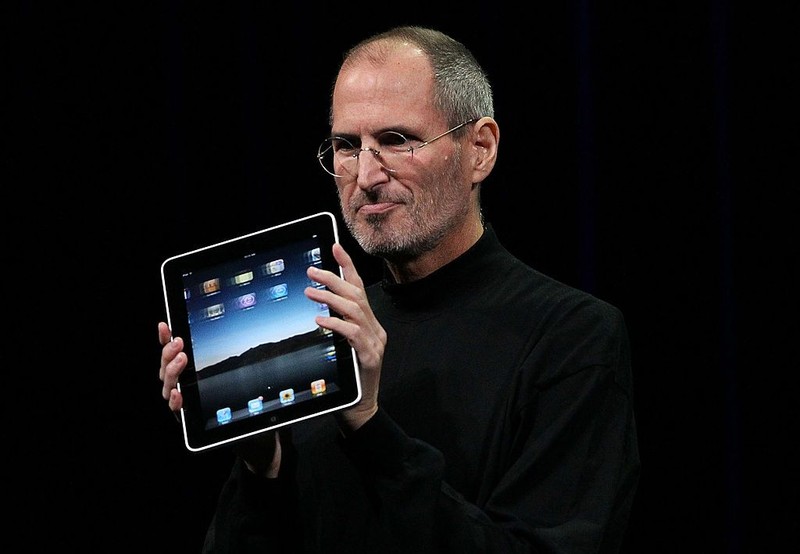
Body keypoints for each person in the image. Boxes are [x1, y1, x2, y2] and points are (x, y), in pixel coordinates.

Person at [158, 25, 640, 553]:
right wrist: (263, 465)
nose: (365, 175)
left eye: (396, 141)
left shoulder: (572, 337)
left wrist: (367, 423)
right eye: (346, 146)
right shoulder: (326, 326)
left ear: (479, 148)